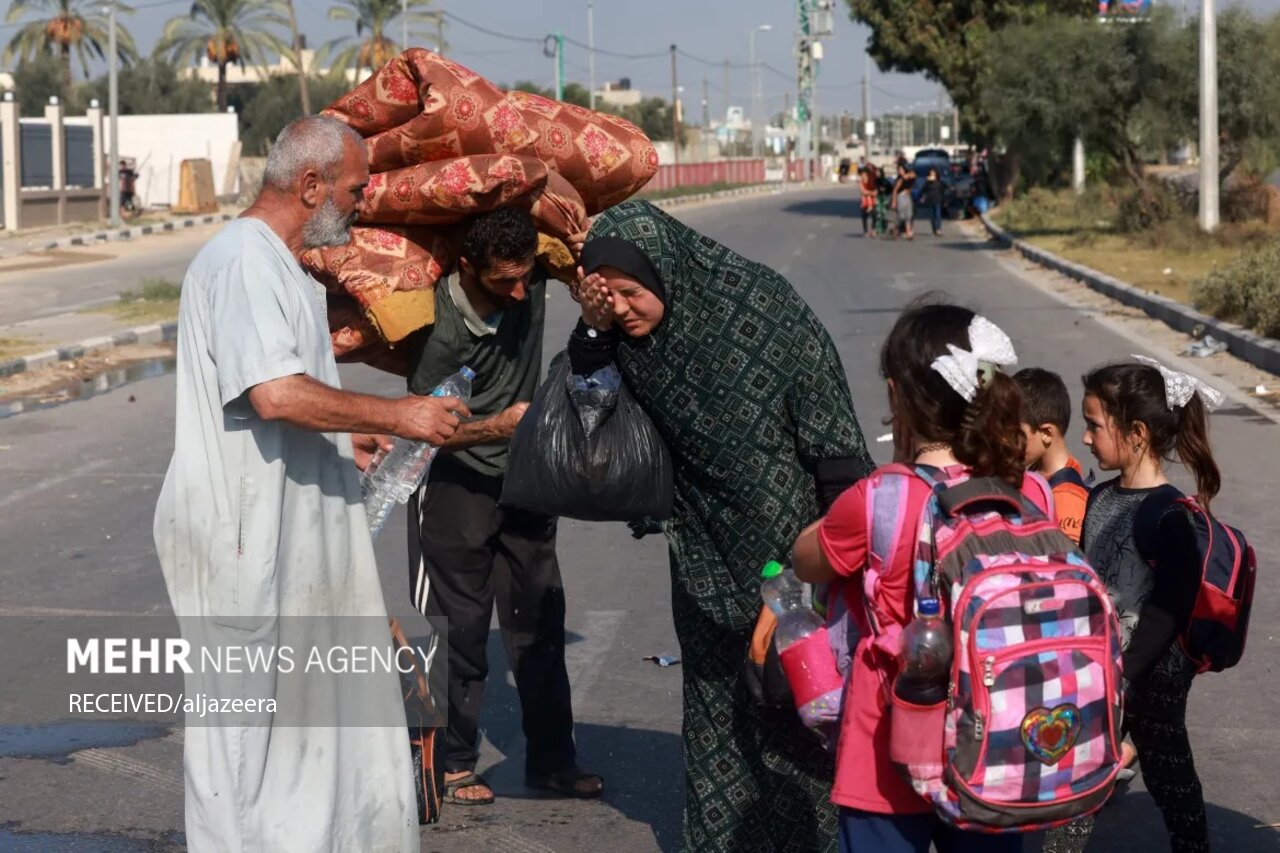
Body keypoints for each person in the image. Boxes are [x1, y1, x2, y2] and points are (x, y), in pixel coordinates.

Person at [154, 115, 469, 852]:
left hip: (280, 535)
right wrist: (397, 412)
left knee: (299, 725)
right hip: (240, 541)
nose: (360, 204)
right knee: (243, 737)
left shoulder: (284, 267)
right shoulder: (242, 261)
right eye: (354, 190)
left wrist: (344, 432)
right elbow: (274, 394)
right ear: (310, 184)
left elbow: (286, 399)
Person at [567, 199, 874, 852]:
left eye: (631, 290)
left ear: (667, 269)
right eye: (607, 295)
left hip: (798, 549)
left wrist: (832, 558)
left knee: (806, 707)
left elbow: (836, 441)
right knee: (716, 714)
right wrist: (592, 331)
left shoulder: (761, 303)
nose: (622, 307)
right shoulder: (620, 342)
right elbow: (585, 407)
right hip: (704, 554)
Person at [791, 301, 1036, 853]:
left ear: (899, 399)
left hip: (891, 737)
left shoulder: (881, 498)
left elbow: (807, 559)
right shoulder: (1030, 492)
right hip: (997, 739)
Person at [402, 206, 601, 806]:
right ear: (468, 268)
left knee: (538, 617)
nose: (519, 293)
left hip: (524, 479)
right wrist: (496, 426)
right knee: (457, 628)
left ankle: (553, 762)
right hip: (453, 484)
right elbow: (421, 430)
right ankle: (449, 764)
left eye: (525, 277)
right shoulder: (438, 328)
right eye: (503, 282)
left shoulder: (531, 280)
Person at [1043, 357, 1222, 853]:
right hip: (1098, 675)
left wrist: (1124, 675)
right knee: (1077, 786)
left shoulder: (1169, 517)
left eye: (1095, 425)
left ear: (1137, 432)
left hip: (1149, 677)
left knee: (1172, 783)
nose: (1084, 437)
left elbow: (1169, 610)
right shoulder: (1099, 498)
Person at [1014, 367, 1089, 544]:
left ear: (1047, 433)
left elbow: (1066, 564)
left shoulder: (1067, 499)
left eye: (1014, 433)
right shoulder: (1036, 472)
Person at [890, 161, 916, 240]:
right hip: (900, 197)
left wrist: (909, 190)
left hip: (907, 197)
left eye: (901, 169)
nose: (900, 171)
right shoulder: (899, 180)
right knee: (901, 215)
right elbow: (895, 190)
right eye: (899, 170)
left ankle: (908, 232)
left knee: (909, 214)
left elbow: (913, 177)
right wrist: (894, 201)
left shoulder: (909, 175)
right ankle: (895, 229)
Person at [920, 167, 945, 237]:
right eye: (931, 173)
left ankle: (938, 229)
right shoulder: (928, 183)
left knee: (938, 214)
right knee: (932, 215)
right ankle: (934, 229)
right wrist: (922, 197)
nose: (932, 174)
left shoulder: (939, 182)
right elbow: (923, 190)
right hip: (930, 200)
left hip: (938, 200)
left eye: (933, 173)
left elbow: (943, 189)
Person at [859, 164, 880, 238]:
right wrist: (871, 193)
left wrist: (872, 193)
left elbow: (876, 191)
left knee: (875, 215)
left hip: (872, 200)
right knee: (864, 216)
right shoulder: (861, 182)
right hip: (864, 201)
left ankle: (873, 230)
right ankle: (865, 231)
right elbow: (863, 191)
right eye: (862, 174)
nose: (863, 176)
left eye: (864, 174)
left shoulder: (872, 180)